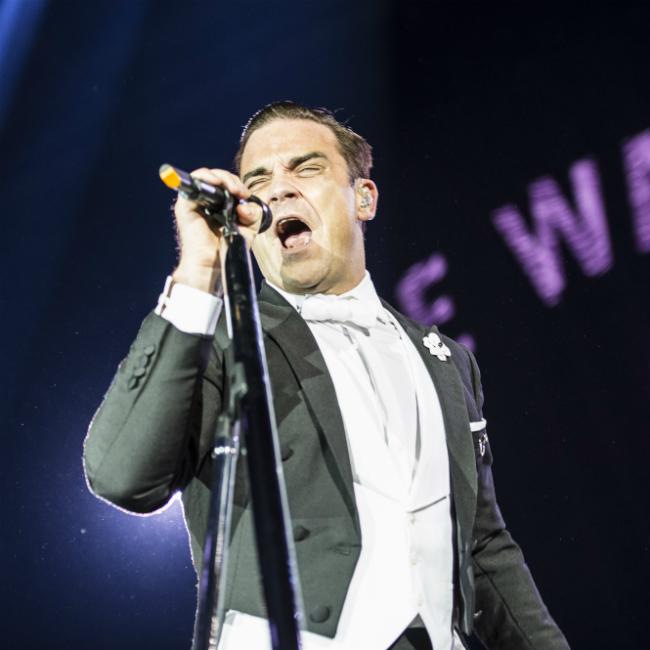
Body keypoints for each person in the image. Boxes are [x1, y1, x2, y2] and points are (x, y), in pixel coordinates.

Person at [83, 101, 570, 650]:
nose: (278, 190)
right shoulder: (222, 341)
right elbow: (122, 477)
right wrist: (198, 270)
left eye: (306, 168)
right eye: (258, 181)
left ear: (364, 198)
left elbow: (482, 548)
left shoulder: (446, 360)